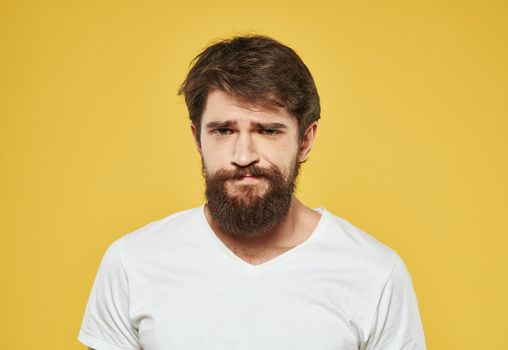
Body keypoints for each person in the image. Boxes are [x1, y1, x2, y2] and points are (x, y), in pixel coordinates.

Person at [78, 35, 426, 350]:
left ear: (305, 140)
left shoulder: (375, 273)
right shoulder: (132, 263)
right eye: (223, 130)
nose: (243, 156)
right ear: (197, 139)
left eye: (268, 131)